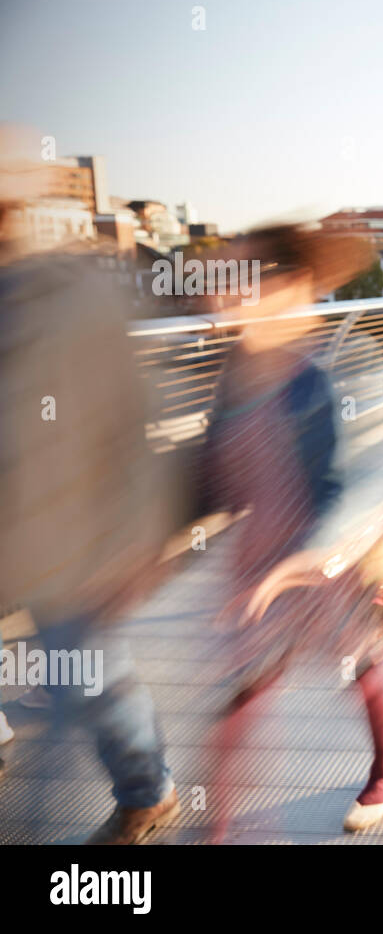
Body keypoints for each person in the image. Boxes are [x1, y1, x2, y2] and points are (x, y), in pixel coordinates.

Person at [198, 227, 383, 839]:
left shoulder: (317, 378)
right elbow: (214, 470)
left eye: (243, 280)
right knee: (244, 685)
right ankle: (217, 827)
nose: (225, 294)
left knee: (362, 664)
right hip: (261, 560)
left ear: (288, 288)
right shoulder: (234, 371)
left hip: (332, 558)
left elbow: (339, 486)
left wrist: (295, 564)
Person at [0, 125, 184, 842]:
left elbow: (137, 422)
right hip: (27, 543)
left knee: (90, 684)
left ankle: (148, 790)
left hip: (74, 550)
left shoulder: (74, 294)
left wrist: (137, 542)